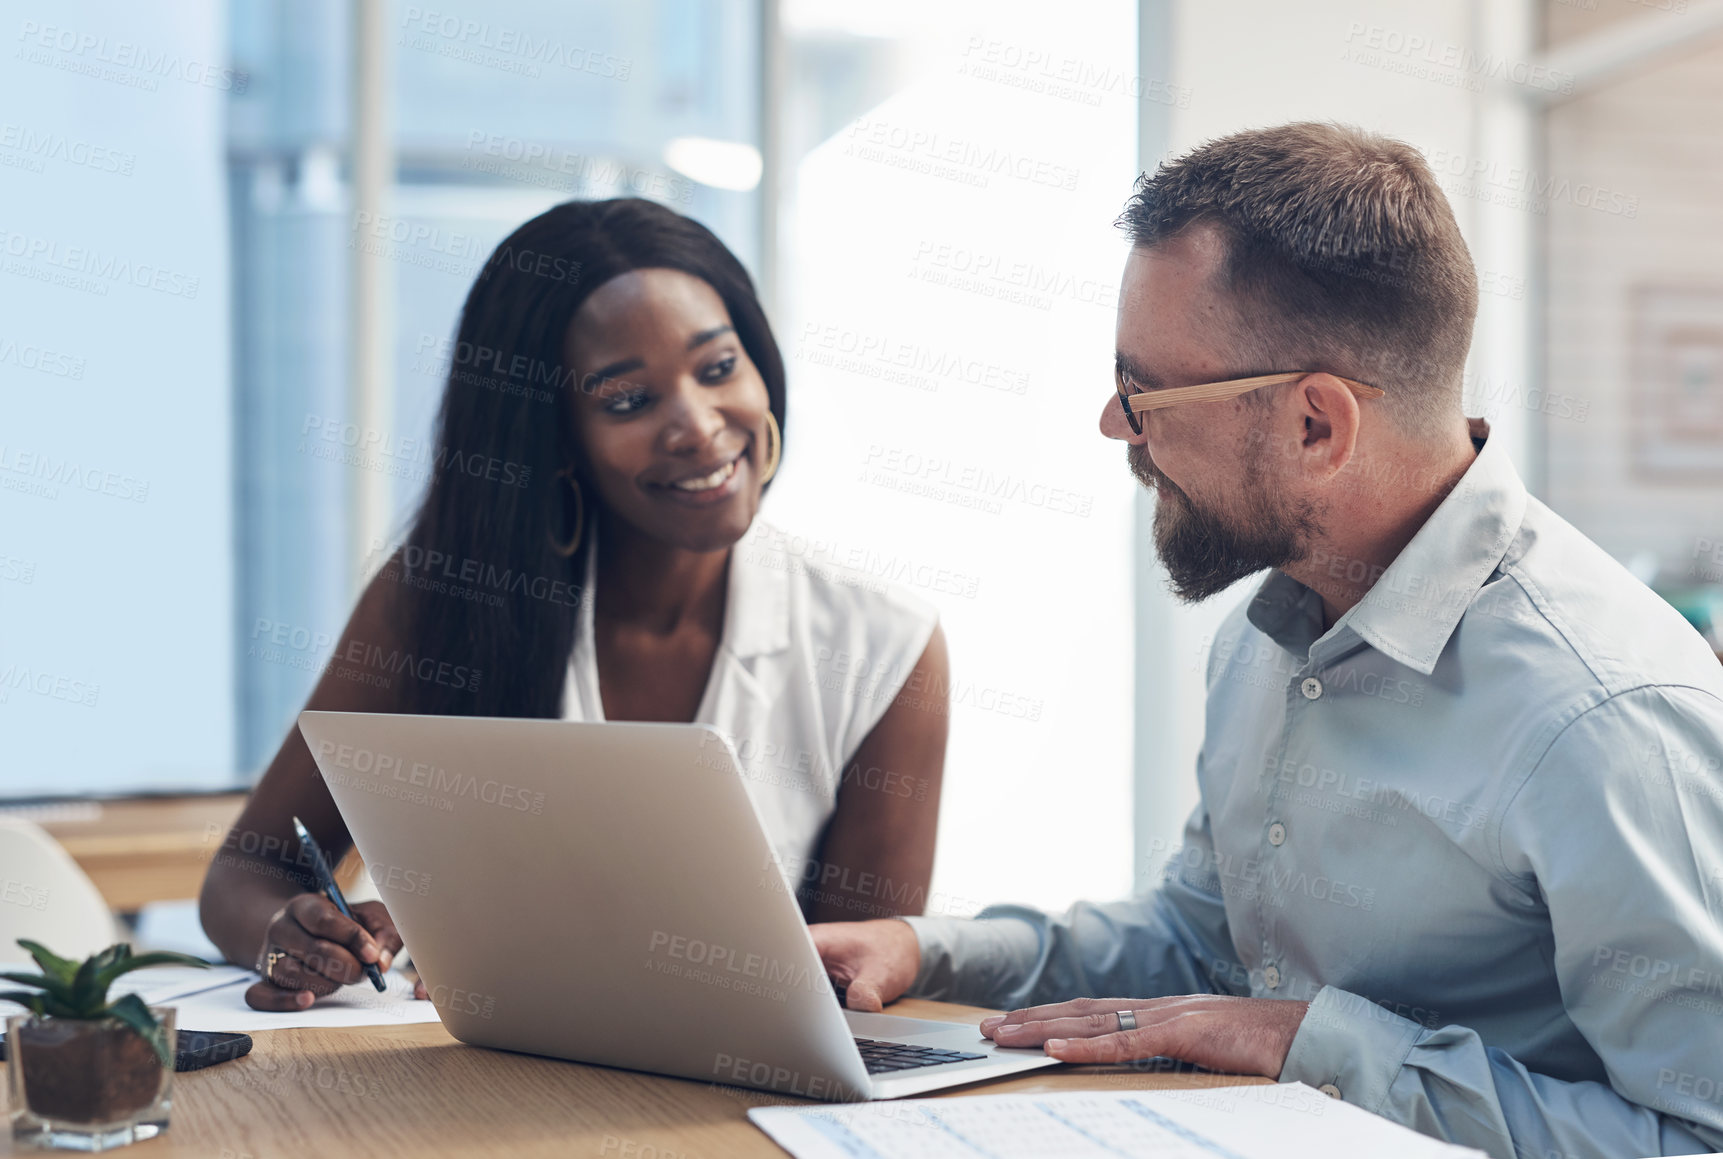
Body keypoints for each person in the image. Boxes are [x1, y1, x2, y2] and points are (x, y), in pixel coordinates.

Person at [810, 123, 1723, 1159]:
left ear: (1316, 427)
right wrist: (925, 949)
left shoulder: (1608, 719)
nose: (1117, 423)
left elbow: (1696, 1137)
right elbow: (1200, 946)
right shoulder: (1275, 629)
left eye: (1143, 385)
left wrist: (1314, 1043)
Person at [201, 198, 949, 1011]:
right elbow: (247, 871)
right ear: (550, 436)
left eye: (718, 366)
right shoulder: (441, 597)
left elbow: (857, 989)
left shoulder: (884, 646)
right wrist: (294, 932)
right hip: (467, 1093)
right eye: (628, 400)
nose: (699, 427)